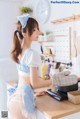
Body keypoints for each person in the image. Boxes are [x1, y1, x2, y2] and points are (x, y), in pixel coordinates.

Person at [8, 14, 52, 119]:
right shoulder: (32, 54)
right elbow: (35, 83)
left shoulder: (18, 52)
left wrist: (34, 92)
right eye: (34, 29)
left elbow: (25, 81)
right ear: (25, 32)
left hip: (14, 100)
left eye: (37, 29)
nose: (38, 32)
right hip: (23, 103)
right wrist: (53, 81)